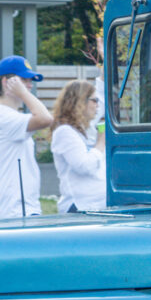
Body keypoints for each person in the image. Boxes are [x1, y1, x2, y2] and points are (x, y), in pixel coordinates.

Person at [0, 56, 53, 219]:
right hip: (13, 209)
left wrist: (22, 90)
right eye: (24, 80)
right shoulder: (2, 116)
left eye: (30, 81)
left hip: (20, 208)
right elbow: (45, 119)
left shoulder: (11, 116)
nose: (29, 86)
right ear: (5, 82)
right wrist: (23, 93)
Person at [50, 80, 106, 213]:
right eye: (94, 101)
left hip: (93, 206)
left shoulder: (83, 131)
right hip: (79, 207)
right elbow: (84, 166)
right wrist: (100, 144)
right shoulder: (64, 132)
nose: (97, 105)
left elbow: (103, 106)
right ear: (81, 102)